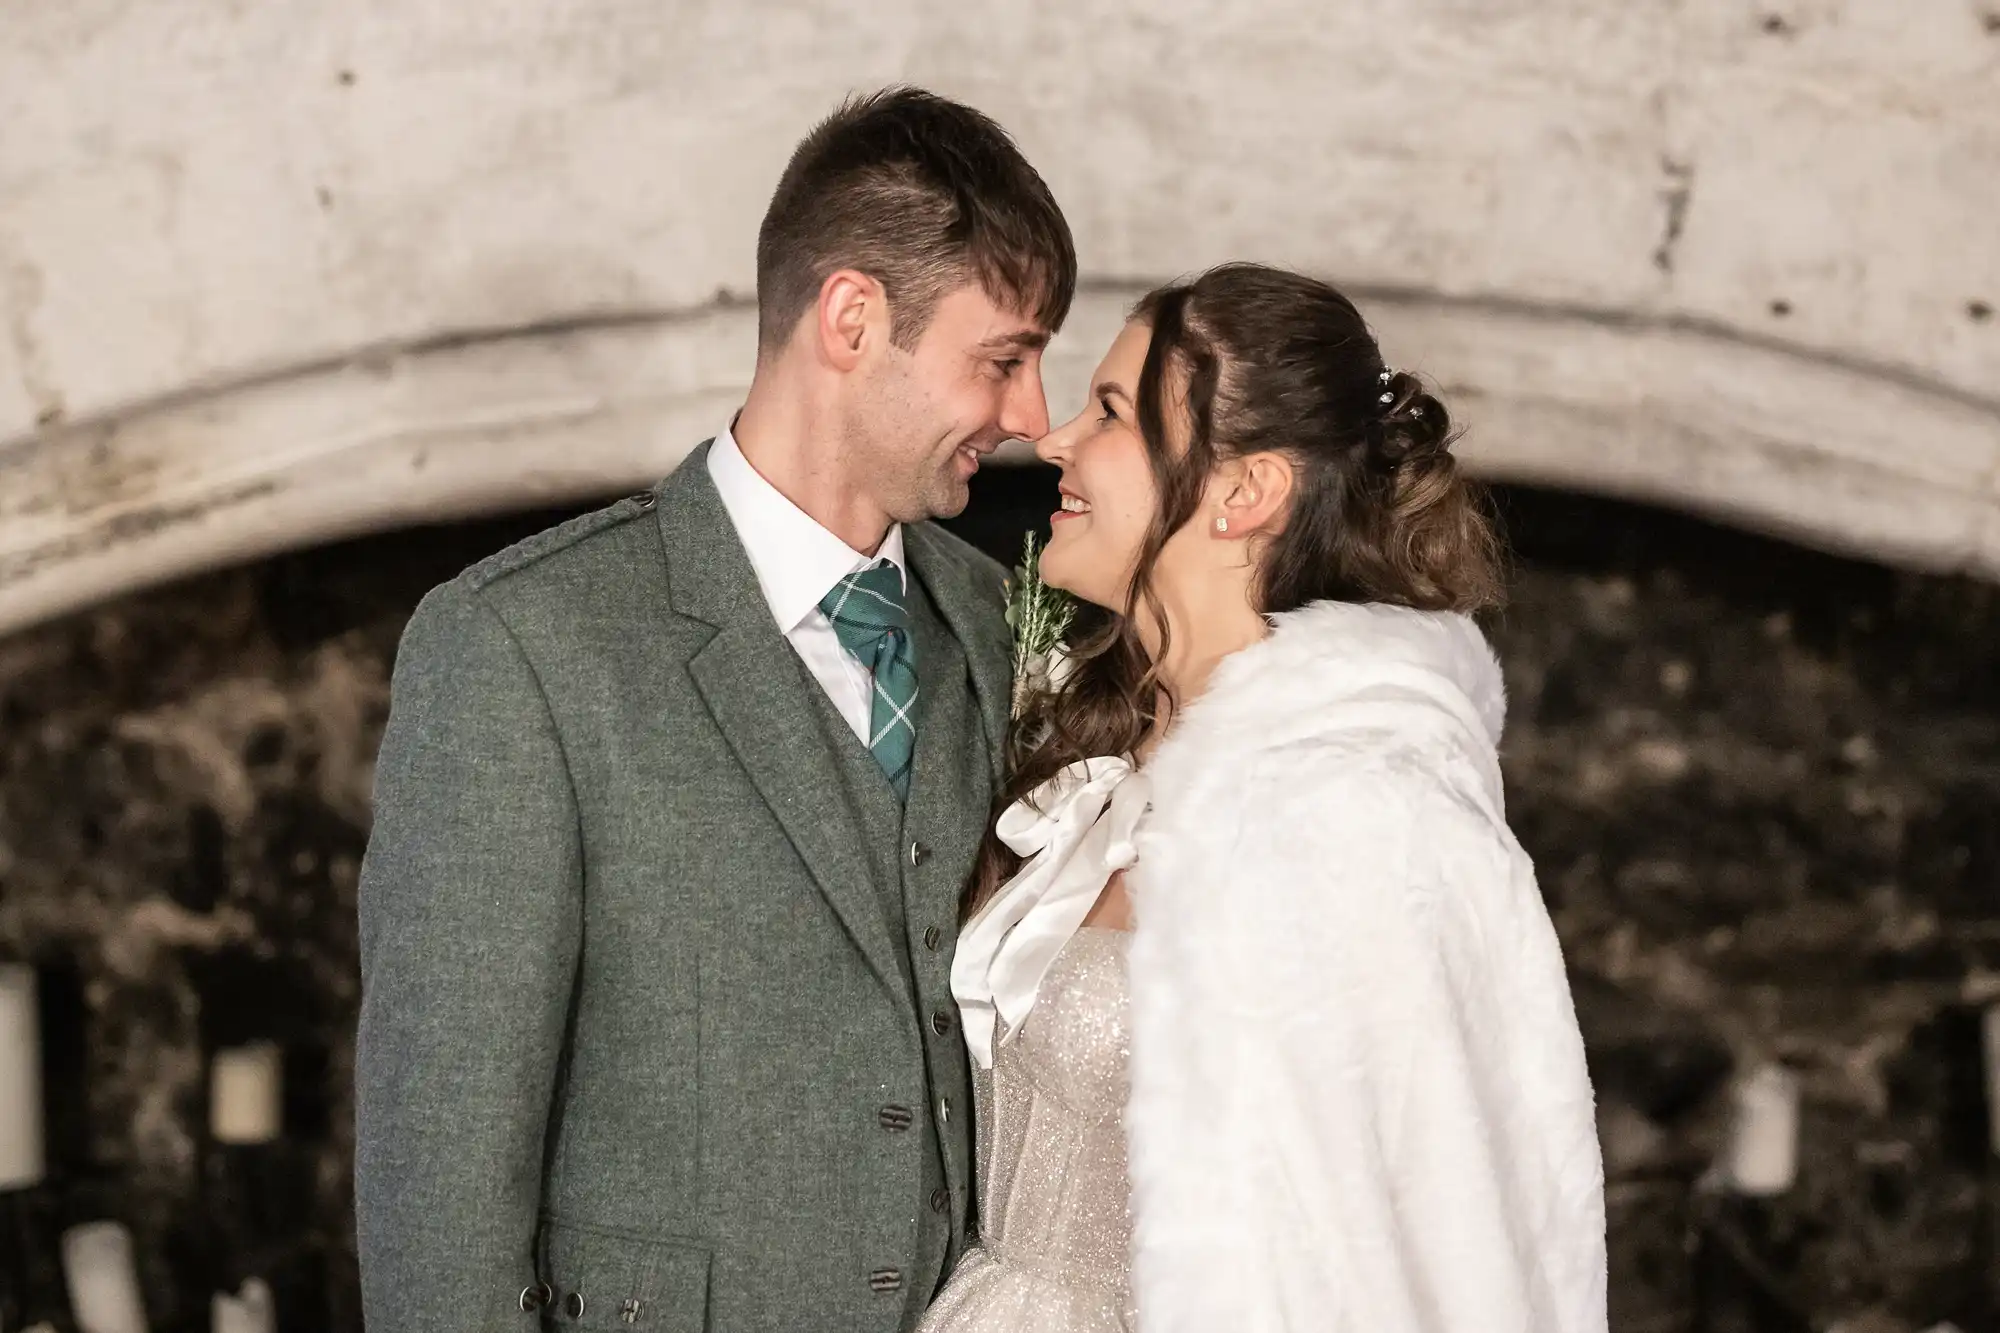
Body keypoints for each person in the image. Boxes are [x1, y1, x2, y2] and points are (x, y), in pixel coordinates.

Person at [353, 87, 1075, 1333]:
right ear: (852, 318)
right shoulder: (519, 649)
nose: (1031, 416)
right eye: (1001, 358)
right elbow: (440, 1195)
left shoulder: (998, 632)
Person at [928, 263, 1607, 1333]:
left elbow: (1437, 1241)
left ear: (1243, 492)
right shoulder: (1091, 761)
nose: (1053, 439)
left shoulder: (1363, 811)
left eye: (1107, 412)